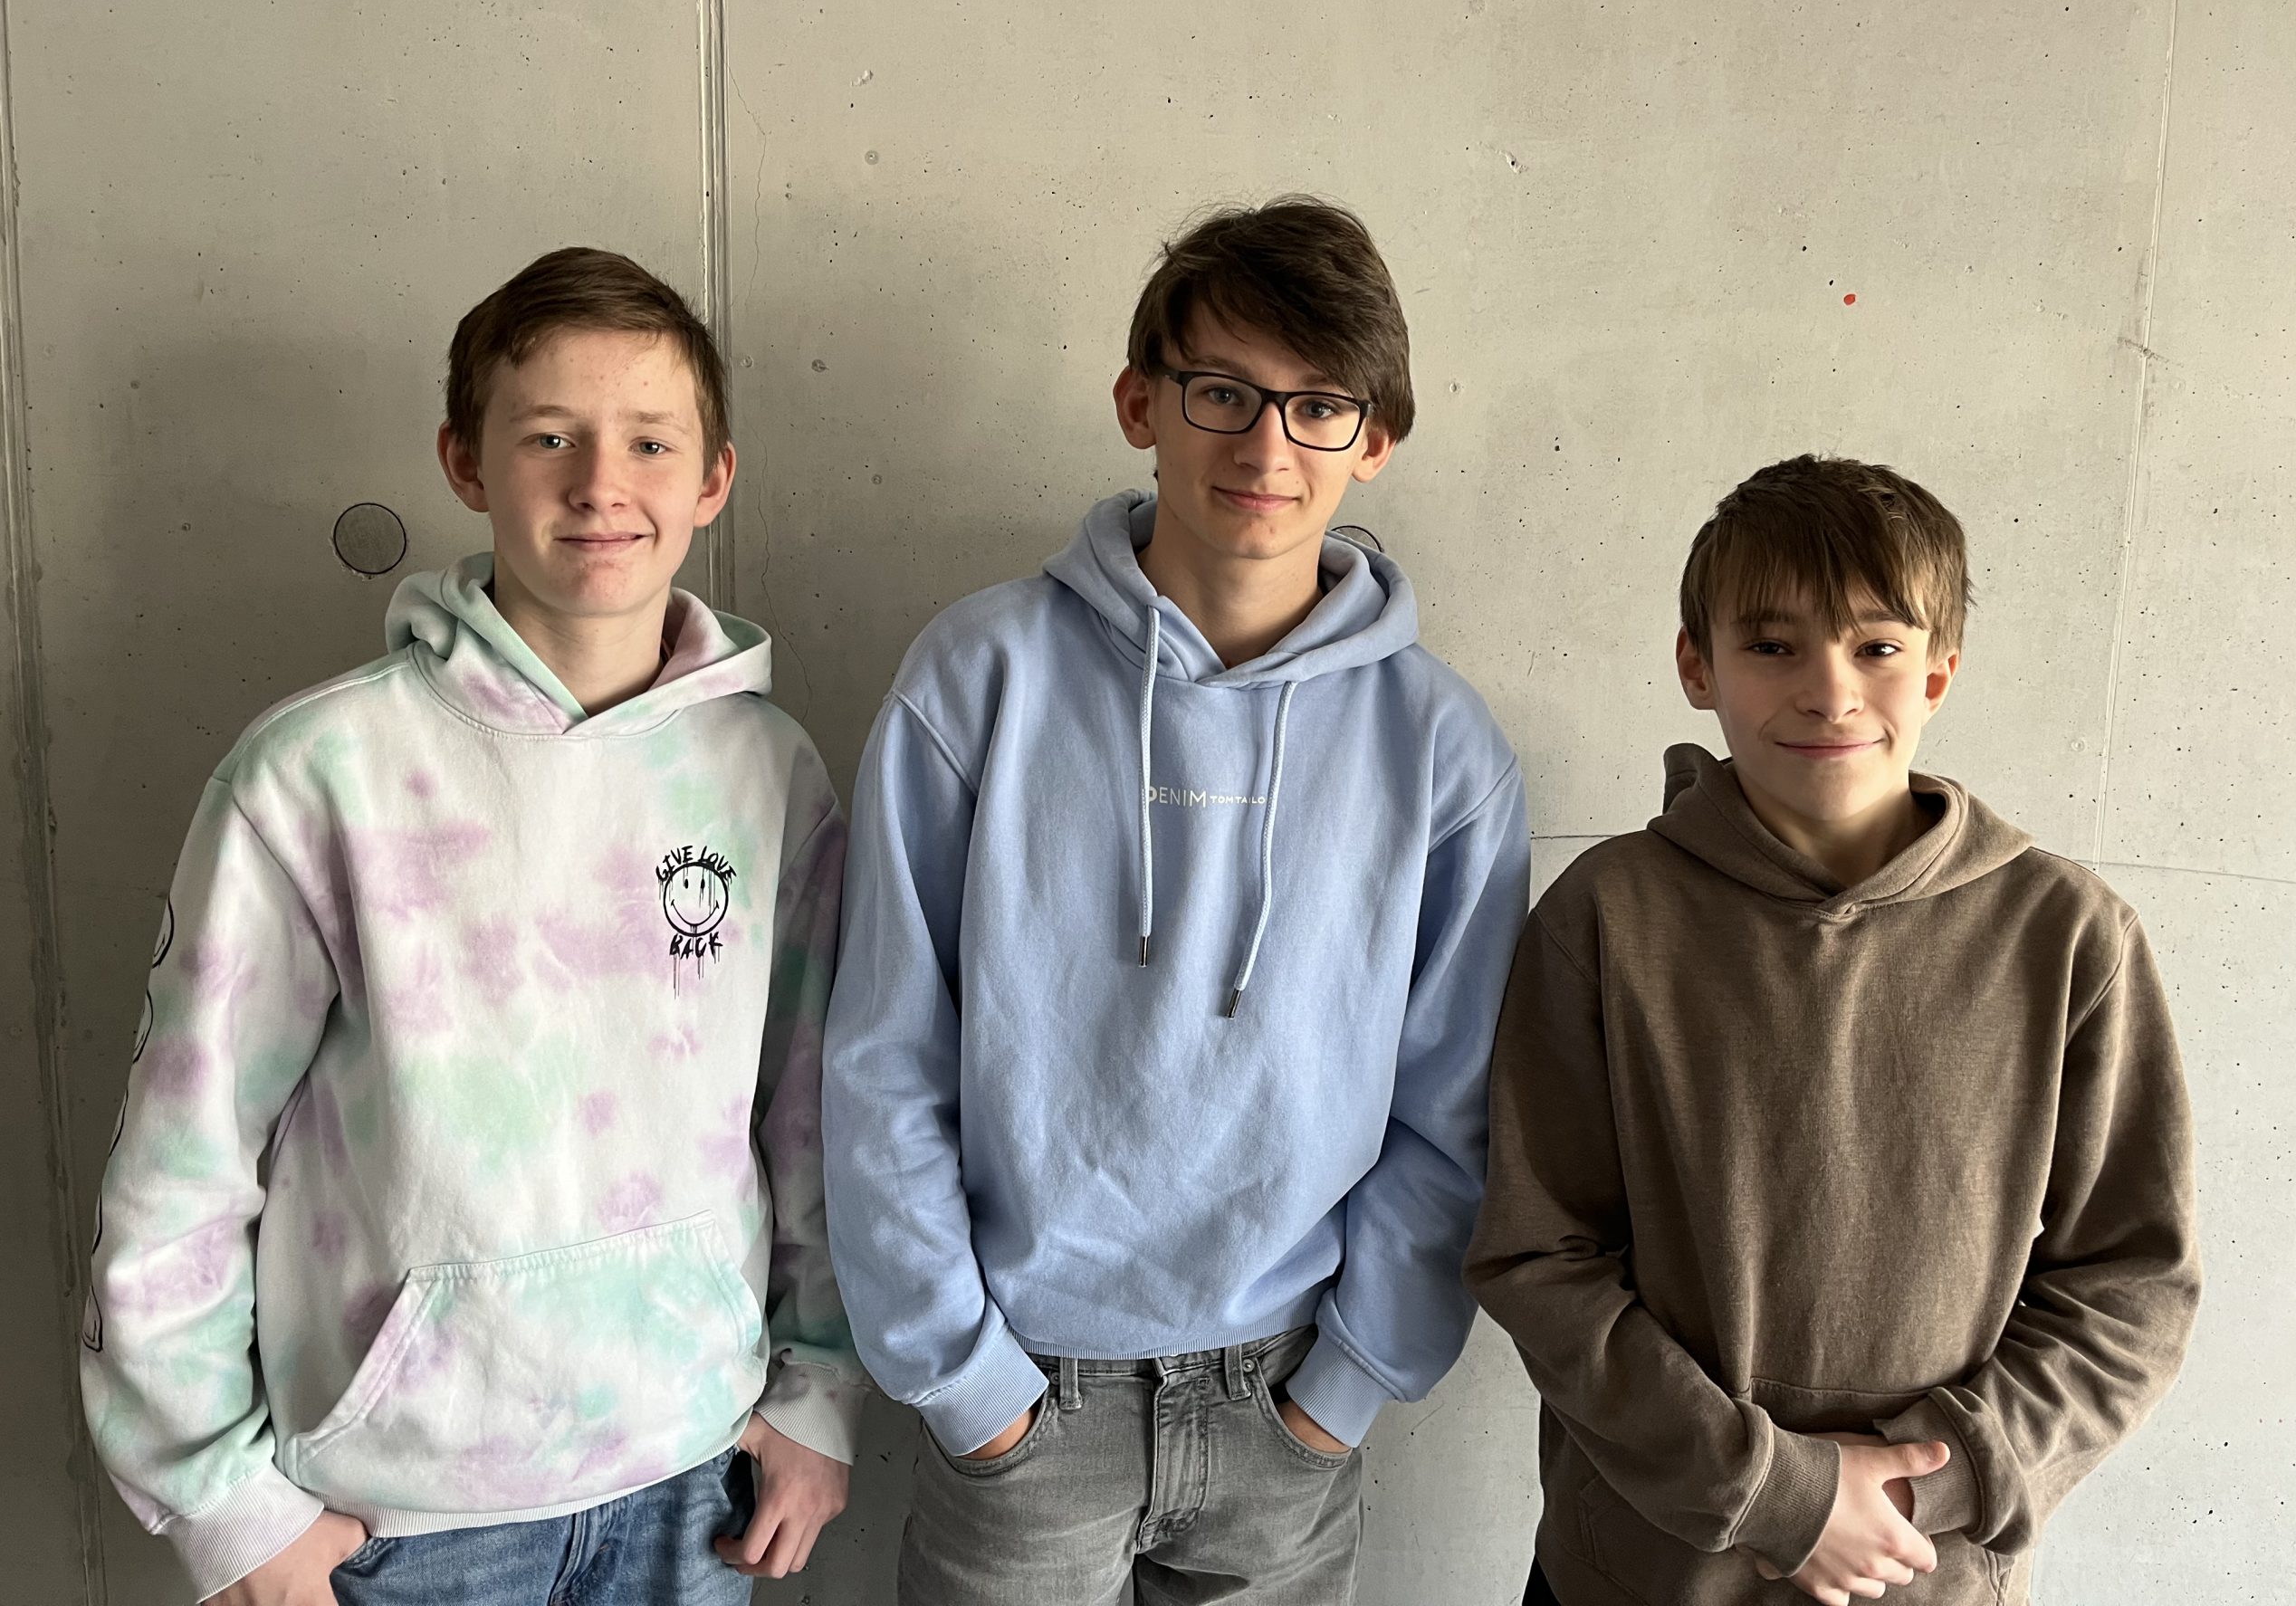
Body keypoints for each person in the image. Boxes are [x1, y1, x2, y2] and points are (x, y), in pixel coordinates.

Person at [80, 248, 864, 1605]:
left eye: (650, 441)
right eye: (549, 436)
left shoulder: (767, 772)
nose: (601, 483)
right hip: (402, 1514)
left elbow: (810, 1117)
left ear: (713, 478)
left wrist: (820, 1395)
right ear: (464, 461)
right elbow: (183, 1157)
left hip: (694, 1477)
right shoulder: (319, 774)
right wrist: (220, 1504)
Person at [822, 196, 1531, 1604]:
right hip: (1026, 1387)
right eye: (1222, 392)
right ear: (1140, 402)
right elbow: (883, 1052)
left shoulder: (1443, 749)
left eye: (1318, 407)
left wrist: (1348, 1383)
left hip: (1288, 1396)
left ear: (1376, 441)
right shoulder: (981, 676)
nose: (1265, 447)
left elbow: (1454, 1103)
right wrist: (967, 1383)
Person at [1466, 454, 2201, 1606]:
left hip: (1926, 1570)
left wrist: (1921, 1487)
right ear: (1696, 665)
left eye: (1876, 646)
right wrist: (1778, 1493)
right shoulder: (1604, 916)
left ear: (1940, 670)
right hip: (1644, 1572)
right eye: (1772, 645)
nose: (1829, 691)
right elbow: (1538, 1253)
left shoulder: (2066, 935)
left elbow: (2133, 1280)